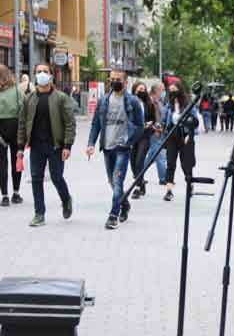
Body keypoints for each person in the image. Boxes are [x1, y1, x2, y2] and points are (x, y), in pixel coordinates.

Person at [17, 63, 76, 227]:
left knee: (57, 177)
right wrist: (20, 148)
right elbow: (22, 124)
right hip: (36, 146)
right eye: (38, 72)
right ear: (35, 75)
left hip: (55, 146)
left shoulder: (61, 97)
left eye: (45, 71)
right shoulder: (29, 98)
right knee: (36, 179)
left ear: (51, 76)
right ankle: (39, 214)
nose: (41, 74)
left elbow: (70, 124)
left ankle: (66, 199)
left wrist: (67, 146)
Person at [86, 69, 144, 230]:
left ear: (126, 83)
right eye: (112, 79)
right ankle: (124, 205)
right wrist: (91, 143)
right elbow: (96, 124)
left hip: (122, 148)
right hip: (107, 147)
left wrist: (129, 141)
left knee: (118, 181)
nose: (115, 82)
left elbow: (140, 126)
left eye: (118, 79)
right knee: (112, 182)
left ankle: (113, 215)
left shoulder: (132, 102)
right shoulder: (103, 101)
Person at [161, 82, 199, 201]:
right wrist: (160, 128)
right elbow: (163, 121)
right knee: (170, 163)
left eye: (174, 90)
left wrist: (191, 135)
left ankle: (190, 185)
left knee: (186, 164)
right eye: (170, 90)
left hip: (185, 135)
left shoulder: (188, 105)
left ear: (180, 90)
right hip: (172, 136)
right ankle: (168, 190)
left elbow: (195, 121)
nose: (172, 92)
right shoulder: (168, 105)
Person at [130, 81, 159, 199]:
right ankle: (141, 182)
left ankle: (137, 187)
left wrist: (151, 125)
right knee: (132, 161)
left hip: (145, 135)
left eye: (143, 89)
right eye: (139, 89)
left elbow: (154, 119)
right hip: (133, 135)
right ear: (134, 90)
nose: (142, 91)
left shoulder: (149, 103)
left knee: (139, 160)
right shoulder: (130, 102)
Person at [0, 65, 24, 206]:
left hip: (1, 130)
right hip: (15, 129)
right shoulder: (17, 90)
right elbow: (24, 108)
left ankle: (4, 196)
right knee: (17, 161)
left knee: (2, 163)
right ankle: (16, 193)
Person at [143, 83, 167, 185]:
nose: (164, 92)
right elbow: (156, 117)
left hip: (159, 131)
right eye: (162, 90)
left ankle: (139, 172)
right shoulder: (152, 102)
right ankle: (163, 178)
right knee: (160, 155)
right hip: (155, 132)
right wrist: (157, 129)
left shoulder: (158, 101)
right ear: (157, 90)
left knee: (152, 156)